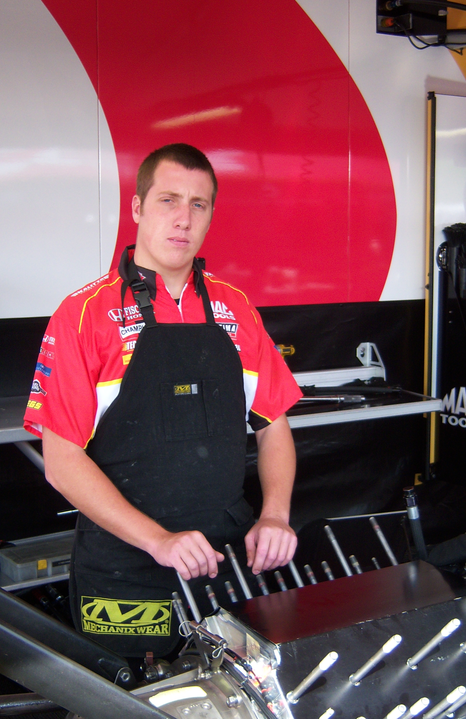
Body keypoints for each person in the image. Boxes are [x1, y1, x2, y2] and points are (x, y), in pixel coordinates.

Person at [24, 143, 302, 659]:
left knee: (238, 701)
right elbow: (61, 462)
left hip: (225, 557)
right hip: (126, 567)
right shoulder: (84, 314)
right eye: (169, 200)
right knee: (127, 712)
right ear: (136, 208)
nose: (183, 218)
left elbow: (273, 426)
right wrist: (157, 540)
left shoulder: (235, 308)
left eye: (199, 204)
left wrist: (275, 517)